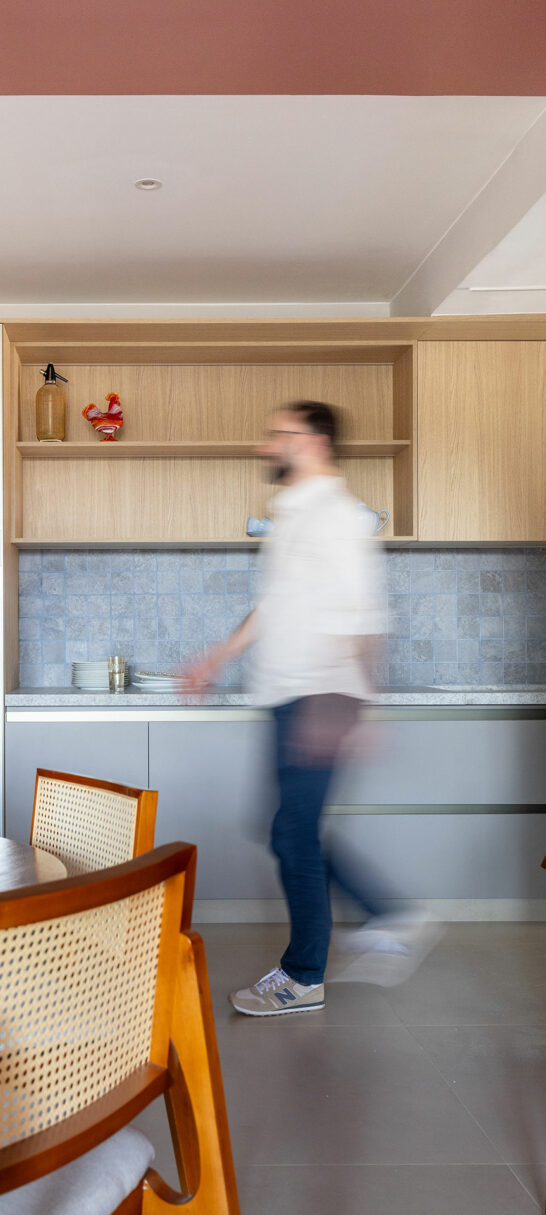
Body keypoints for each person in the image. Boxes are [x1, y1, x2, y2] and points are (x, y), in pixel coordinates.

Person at [183, 400, 392, 1016]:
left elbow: (366, 613)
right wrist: (215, 657)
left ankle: (306, 973)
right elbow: (274, 607)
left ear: (316, 442)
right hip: (287, 694)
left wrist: (359, 704)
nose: (267, 446)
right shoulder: (294, 514)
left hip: (317, 695)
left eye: (281, 435)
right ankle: (381, 918)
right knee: (283, 830)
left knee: (293, 833)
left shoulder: (335, 515)